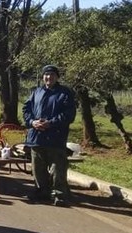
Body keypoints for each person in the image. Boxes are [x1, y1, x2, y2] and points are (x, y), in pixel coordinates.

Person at [23, 65, 77, 207]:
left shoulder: (65, 93)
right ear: (43, 77)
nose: (49, 77)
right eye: (46, 75)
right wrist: (32, 122)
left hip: (55, 138)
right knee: (37, 168)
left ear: (57, 77)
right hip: (36, 137)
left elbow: (68, 115)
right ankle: (41, 192)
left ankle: (60, 195)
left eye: (52, 74)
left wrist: (50, 123)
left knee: (57, 169)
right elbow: (26, 109)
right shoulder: (37, 92)